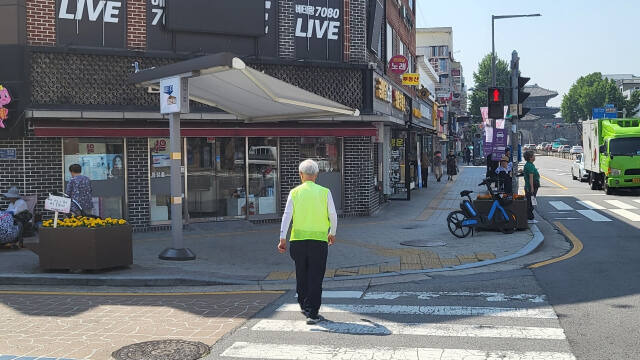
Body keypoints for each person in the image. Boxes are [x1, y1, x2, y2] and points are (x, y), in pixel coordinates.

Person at [278, 159, 337, 325]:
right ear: (316, 175)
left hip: (298, 241)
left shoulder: (295, 192)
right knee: (315, 276)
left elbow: (286, 216)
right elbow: (333, 215)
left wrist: (282, 238)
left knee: (301, 273)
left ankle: (303, 303)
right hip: (319, 241)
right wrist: (332, 233)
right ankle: (312, 312)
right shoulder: (325, 192)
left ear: (300, 175)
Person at [523, 150, 540, 224]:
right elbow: (531, 177)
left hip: (531, 185)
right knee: (530, 202)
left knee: (530, 201)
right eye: (533, 155)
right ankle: (530, 218)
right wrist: (532, 187)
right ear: (530, 157)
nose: (534, 156)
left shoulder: (529, 164)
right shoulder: (529, 165)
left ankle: (530, 217)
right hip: (531, 186)